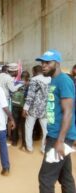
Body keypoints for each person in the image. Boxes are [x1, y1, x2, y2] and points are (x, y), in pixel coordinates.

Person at [36, 50, 76, 193]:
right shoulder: (54, 80)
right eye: (42, 63)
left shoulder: (64, 81)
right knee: (65, 177)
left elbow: (68, 112)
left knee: (45, 178)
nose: (43, 66)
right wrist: (50, 135)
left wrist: (60, 141)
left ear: (57, 63)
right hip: (56, 136)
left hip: (61, 139)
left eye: (48, 62)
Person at [22, 65, 51, 153]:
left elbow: (30, 96)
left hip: (33, 108)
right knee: (46, 130)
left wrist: (25, 108)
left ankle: (29, 148)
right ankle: (44, 149)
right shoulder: (50, 79)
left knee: (29, 127)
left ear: (34, 71)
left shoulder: (34, 80)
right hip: (45, 108)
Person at [11, 71, 29, 147]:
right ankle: (24, 143)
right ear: (28, 77)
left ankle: (14, 141)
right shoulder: (29, 84)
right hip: (24, 106)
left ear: (21, 76)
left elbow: (11, 92)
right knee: (24, 124)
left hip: (15, 105)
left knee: (15, 123)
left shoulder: (15, 83)